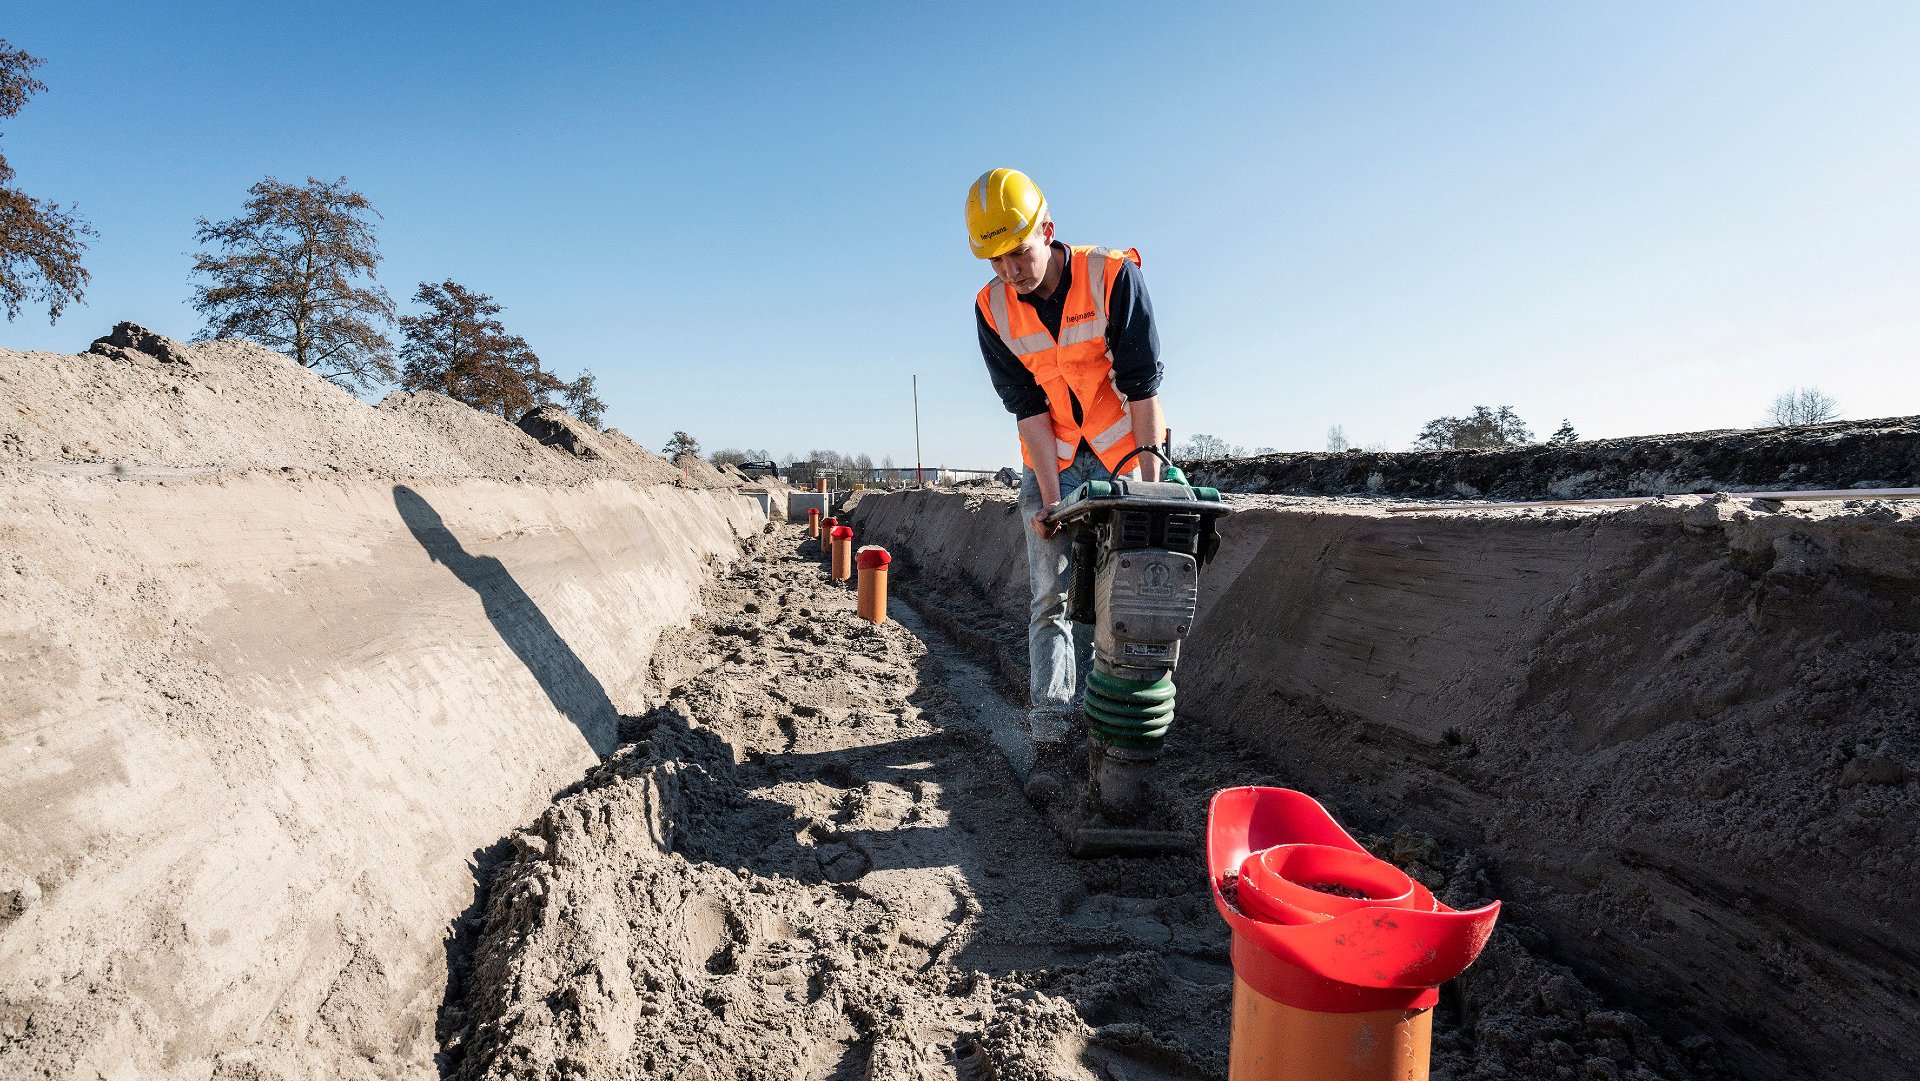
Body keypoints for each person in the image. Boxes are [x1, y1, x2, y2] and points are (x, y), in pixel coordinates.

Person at [964, 168, 1166, 804]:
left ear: (1046, 231)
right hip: (1053, 458)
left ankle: (1116, 734)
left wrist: (1149, 491)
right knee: (1050, 601)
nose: (1011, 271)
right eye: (996, 259)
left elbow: (1142, 384)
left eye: (1019, 252)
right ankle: (1052, 732)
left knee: (1126, 601)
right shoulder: (991, 308)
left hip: (1122, 455)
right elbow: (1027, 407)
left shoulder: (1111, 276)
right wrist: (1052, 502)